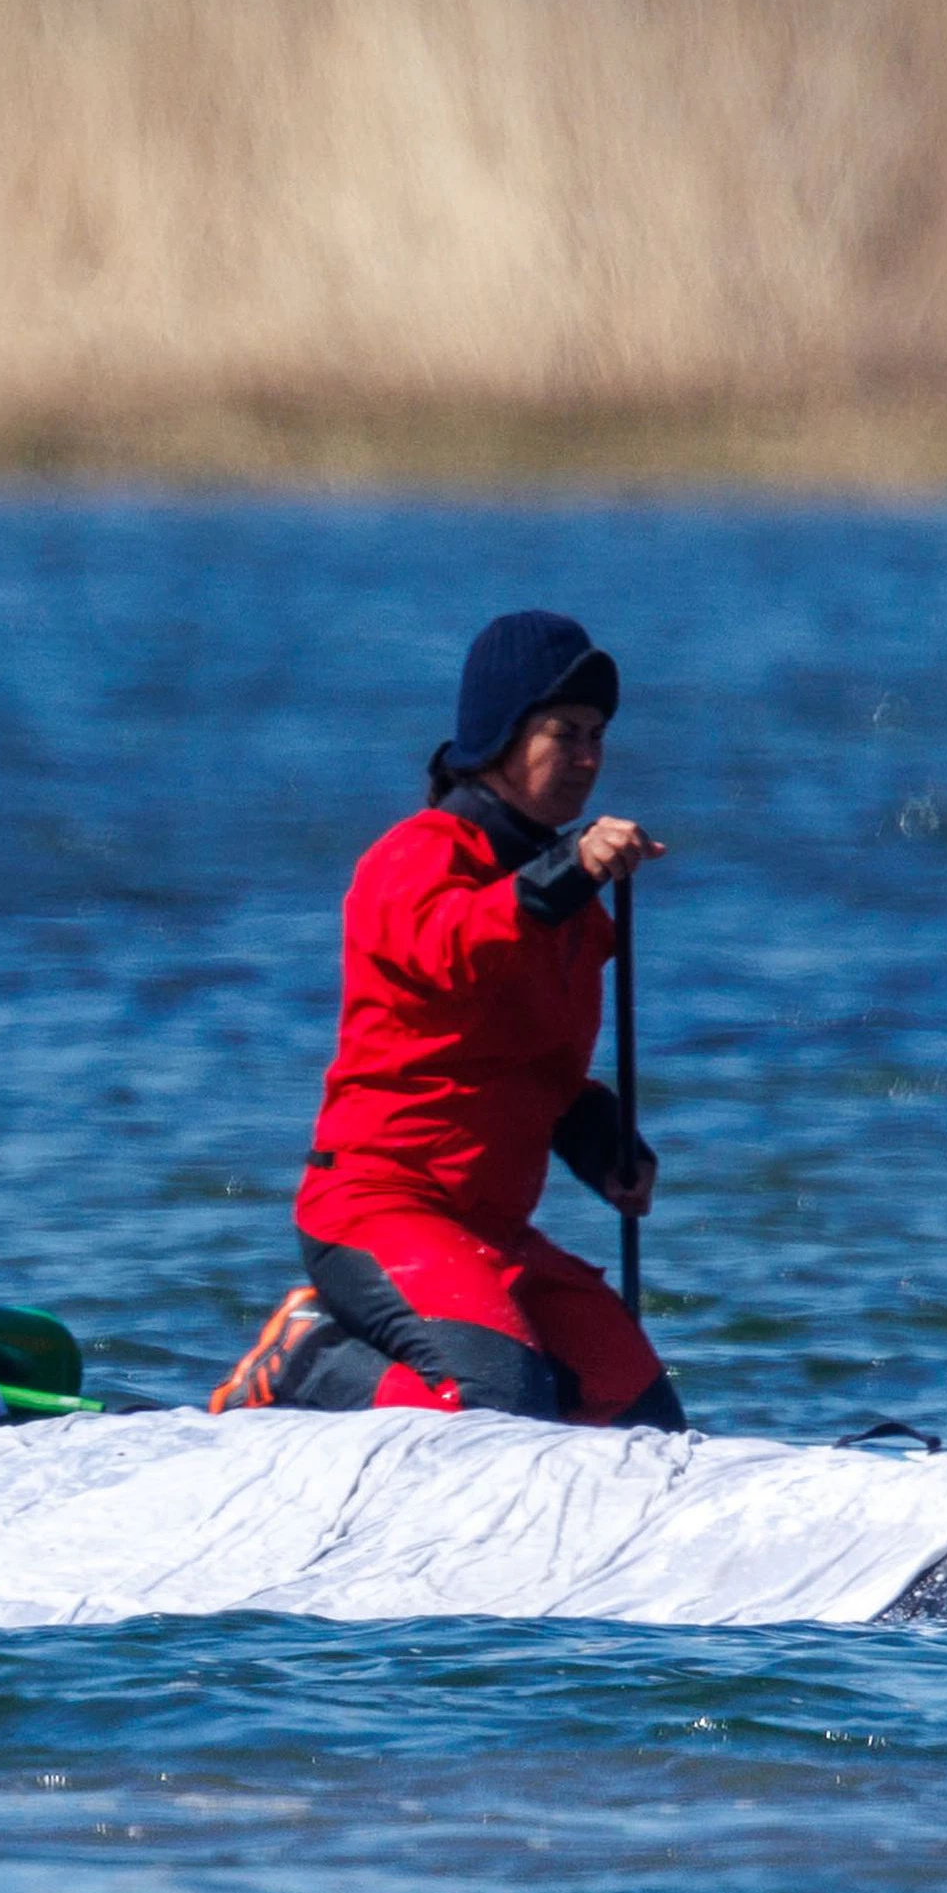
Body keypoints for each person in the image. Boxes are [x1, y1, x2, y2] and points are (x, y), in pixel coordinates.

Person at [216, 610, 690, 1430]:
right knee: (498, 1407)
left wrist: (600, 1138)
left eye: (597, 737)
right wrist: (568, 870)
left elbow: (535, 1067)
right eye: (563, 734)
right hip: (375, 1208)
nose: (587, 758)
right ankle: (307, 1360)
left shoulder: (572, 912)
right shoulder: (416, 856)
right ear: (502, 737)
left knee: (643, 1423)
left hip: (491, 1229)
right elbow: (453, 951)